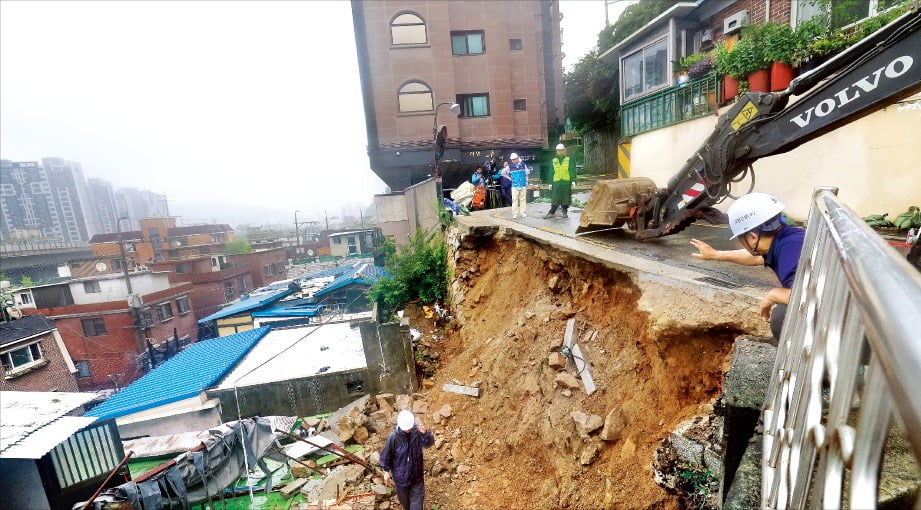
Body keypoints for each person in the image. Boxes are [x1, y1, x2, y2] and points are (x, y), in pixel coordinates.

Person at [690, 193, 804, 339]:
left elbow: (809, 297)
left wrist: (773, 295)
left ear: (752, 237)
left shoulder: (790, 252)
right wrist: (716, 254)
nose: (740, 242)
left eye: (741, 238)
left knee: (781, 318)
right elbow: (755, 258)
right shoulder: (788, 239)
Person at [380, 410, 435, 510]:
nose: (409, 430)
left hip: (416, 476)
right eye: (407, 429)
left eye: (410, 427)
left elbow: (429, 443)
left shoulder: (417, 432)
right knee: (405, 502)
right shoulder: (393, 438)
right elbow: (386, 454)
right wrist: (386, 471)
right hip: (401, 478)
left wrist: (425, 434)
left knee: (416, 505)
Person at [545, 143, 574, 218]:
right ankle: (552, 212)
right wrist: (550, 183)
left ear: (564, 151)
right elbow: (551, 172)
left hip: (565, 181)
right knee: (555, 198)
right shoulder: (553, 160)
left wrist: (573, 180)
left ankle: (565, 211)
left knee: (566, 197)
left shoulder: (568, 159)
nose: (560, 152)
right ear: (556, 151)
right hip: (556, 182)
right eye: (558, 150)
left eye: (561, 150)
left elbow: (571, 170)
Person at [508, 153, 530, 219]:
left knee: (523, 199)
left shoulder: (523, 165)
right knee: (514, 200)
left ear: (517, 158)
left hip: (523, 185)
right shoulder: (510, 167)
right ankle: (514, 214)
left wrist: (527, 181)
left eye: (514, 159)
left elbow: (526, 174)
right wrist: (509, 178)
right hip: (514, 186)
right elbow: (503, 173)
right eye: (512, 159)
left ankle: (523, 212)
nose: (513, 160)